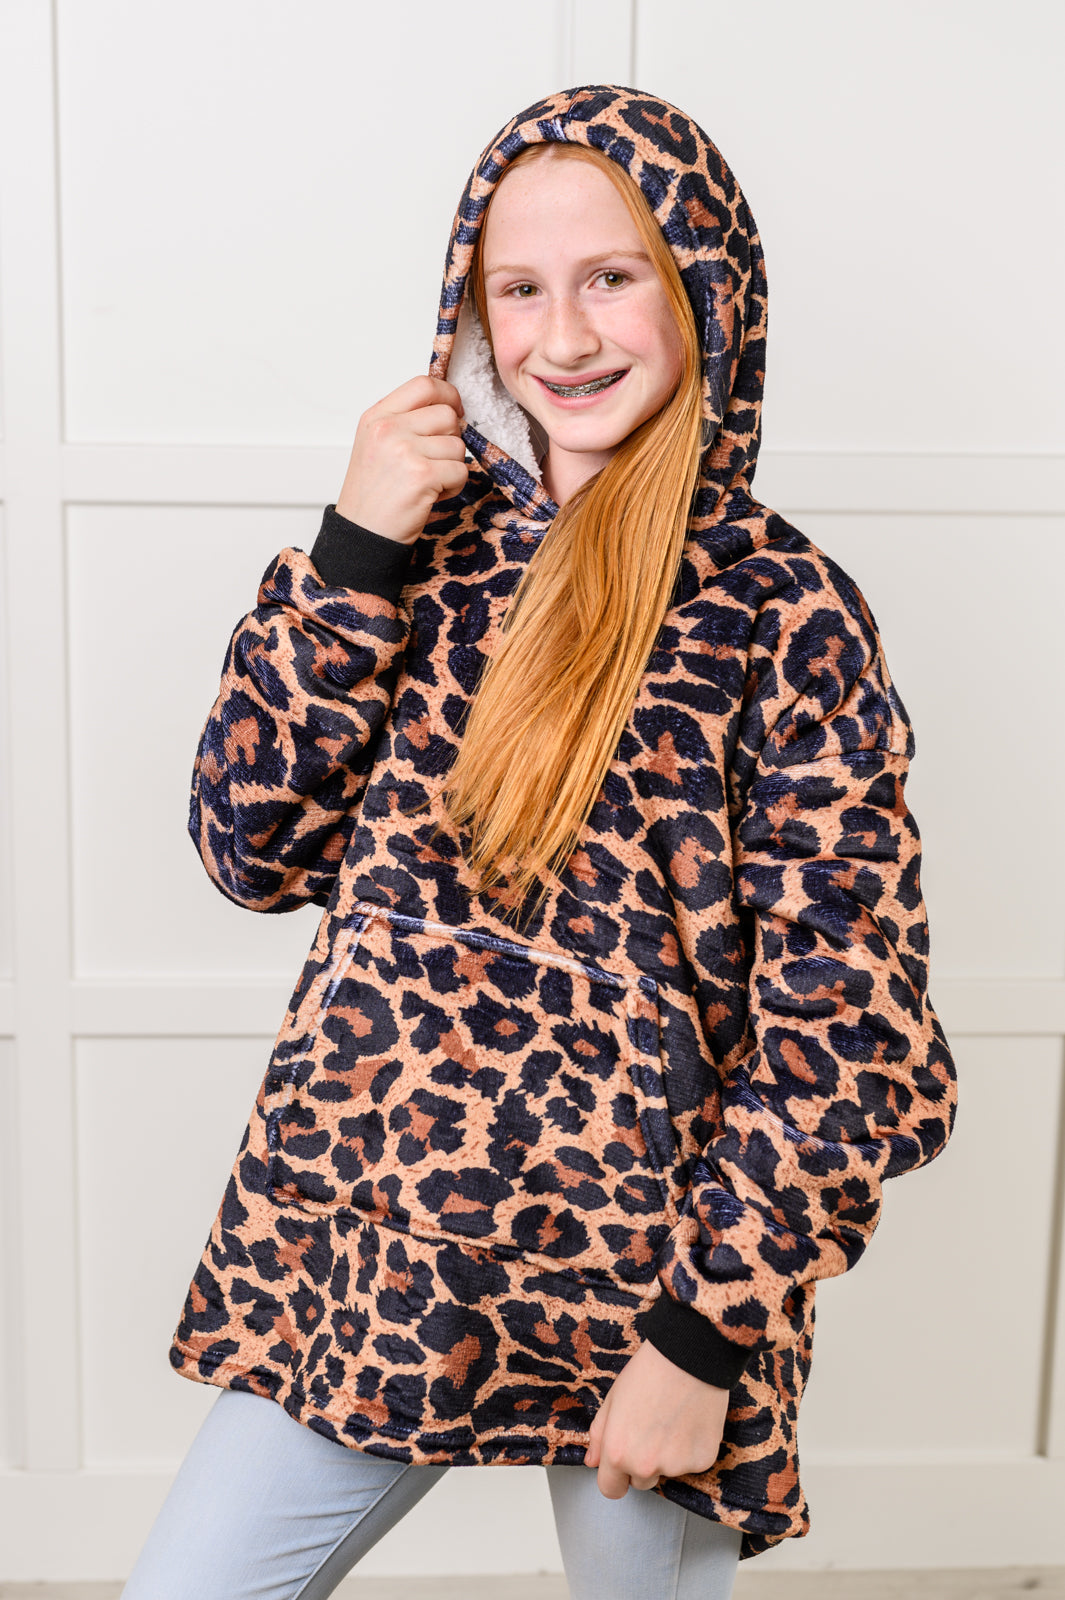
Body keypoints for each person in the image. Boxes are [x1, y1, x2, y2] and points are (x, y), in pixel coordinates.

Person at [122, 84, 958, 1600]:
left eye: (610, 277)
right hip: (378, 1251)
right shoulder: (415, 552)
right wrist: (354, 547)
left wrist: (702, 1339)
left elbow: (852, 1037)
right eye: (518, 289)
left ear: (701, 291)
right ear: (469, 307)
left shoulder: (787, 616)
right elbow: (251, 849)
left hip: (649, 1289)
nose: (560, 337)